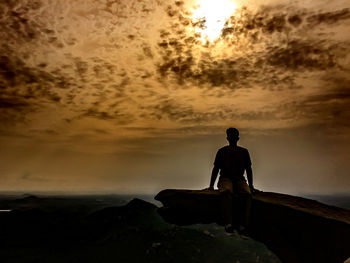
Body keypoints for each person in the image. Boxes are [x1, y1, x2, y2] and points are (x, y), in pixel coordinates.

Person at [206, 128, 255, 234]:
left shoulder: (244, 152)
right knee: (226, 192)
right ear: (227, 138)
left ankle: (243, 225)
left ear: (237, 138)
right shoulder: (222, 151)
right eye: (231, 136)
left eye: (234, 136)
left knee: (246, 194)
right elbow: (216, 169)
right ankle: (228, 223)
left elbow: (248, 169)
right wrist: (211, 186)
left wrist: (251, 185)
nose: (232, 138)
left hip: (240, 179)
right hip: (225, 178)